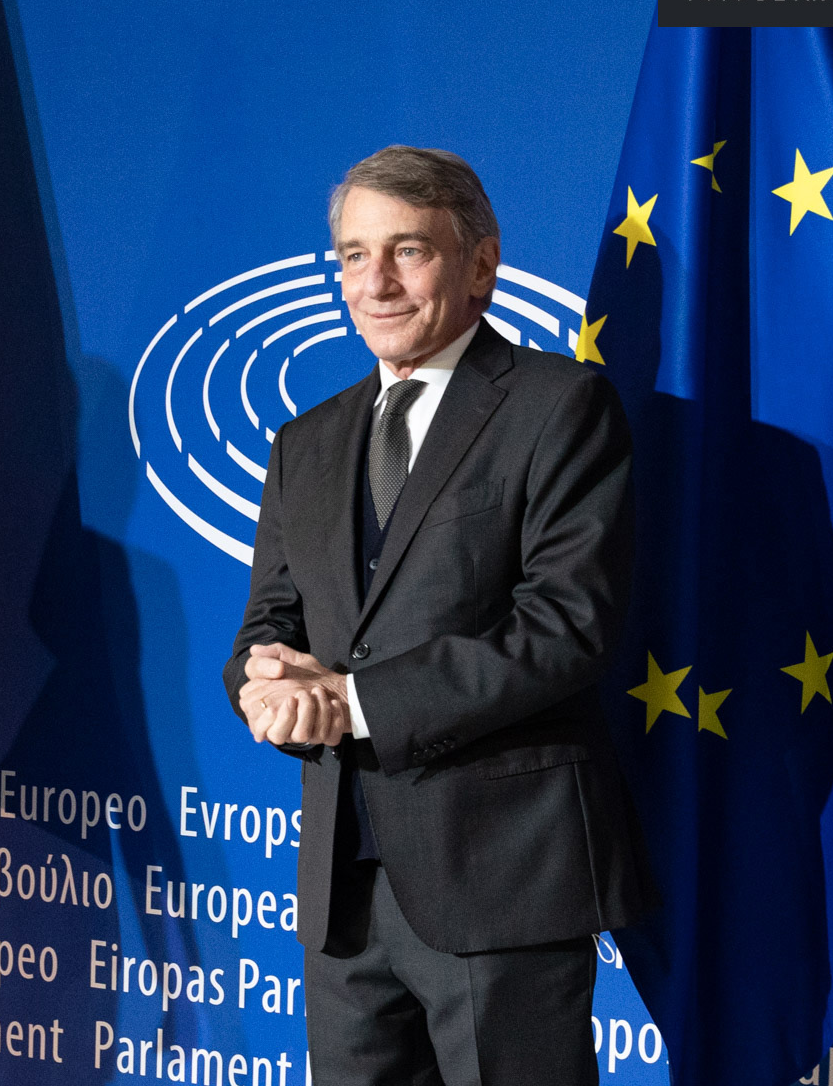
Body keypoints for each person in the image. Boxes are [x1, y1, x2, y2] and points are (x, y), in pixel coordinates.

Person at [225, 146, 656, 1085]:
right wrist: (266, 686)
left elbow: (566, 627)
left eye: (408, 250)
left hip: (502, 882)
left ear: (481, 265)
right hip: (344, 895)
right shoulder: (307, 442)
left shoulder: (559, 407)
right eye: (353, 255)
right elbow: (270, 623)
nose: (374, 282)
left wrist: (353, 702)